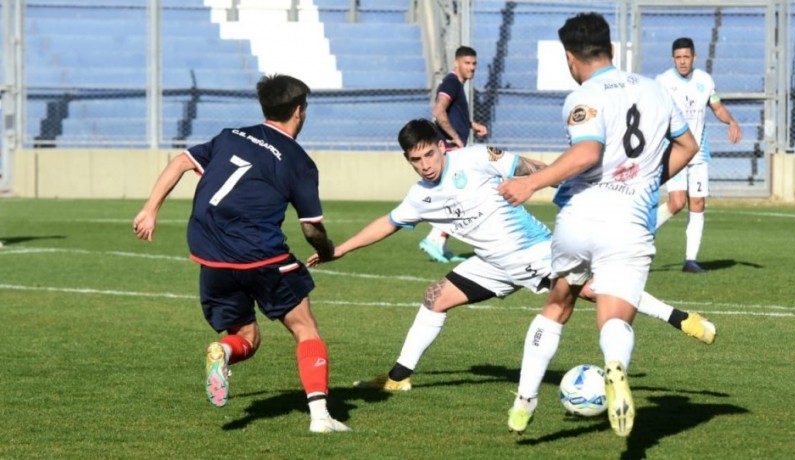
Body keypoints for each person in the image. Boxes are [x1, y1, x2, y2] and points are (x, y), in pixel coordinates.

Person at [306, 118, 704, 396]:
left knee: (595, 291)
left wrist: (558, 177)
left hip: (532, 250)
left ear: (441, 147)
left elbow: (525, 166)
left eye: (429, 154)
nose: (425, 165)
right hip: (491, 264)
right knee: (435, 297)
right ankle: (398, 378)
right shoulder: (419, 196)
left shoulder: (475, 158)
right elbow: (387, 223)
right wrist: (336, 250)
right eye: (416, 160)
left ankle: (679, 317)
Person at [497, 12, 699, 437]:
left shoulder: (584, 96)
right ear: (611, 49)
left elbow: (588, 153)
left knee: (557, 304)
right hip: (628, 224)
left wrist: (531, 181)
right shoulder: (656, 90)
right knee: (615, 317)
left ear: (571, 58)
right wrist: (645, 181)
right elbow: (688, 145)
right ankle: (615, 366)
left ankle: (524, 401)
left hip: (580, 217)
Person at [132, 74, 350, 434]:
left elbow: (181, 162)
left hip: (212, 258)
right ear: (299, 111)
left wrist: (150, 209)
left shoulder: (229, 135)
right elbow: (310, 227)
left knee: (248, 336)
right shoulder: (299, 161)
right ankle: (320, 418)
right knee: (305, 329)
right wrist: (326, 250)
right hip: (262, 256)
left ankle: (224, 352)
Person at [654, 37, 743, 273]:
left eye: (686, 57)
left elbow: (717, 107)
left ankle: (691, 260)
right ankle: (640, 233)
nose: (682, 62)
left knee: (698, 202)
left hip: (699, 151)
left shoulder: (704, 80)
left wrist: (731, 121)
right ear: (673, 59)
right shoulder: (662, 82)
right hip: (673, 150)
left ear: (694, 57)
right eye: (678, 57)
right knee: (676, 203)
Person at [419, 46, 489, 264]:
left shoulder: (457, 85)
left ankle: (439, 242)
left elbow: (453, 113)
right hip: (450, 149)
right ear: (456, 63)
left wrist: (471, 124)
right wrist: (456, 138)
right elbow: (438, 111)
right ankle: (434, 239)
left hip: (451, 147)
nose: (472, 68)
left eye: (474, 64)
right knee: (462, 197)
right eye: (467, 63)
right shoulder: (451, 82)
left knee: (459, 197)